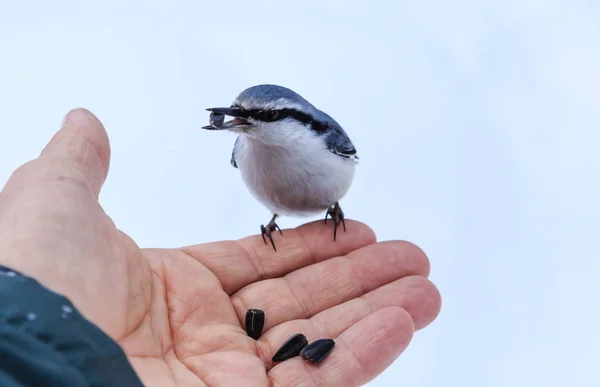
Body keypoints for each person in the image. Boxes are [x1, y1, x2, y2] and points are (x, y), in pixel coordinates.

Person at [0, 108, 441, 386]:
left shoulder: (327, 139)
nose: (243, 121)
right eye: (241, 114)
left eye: (264, 116)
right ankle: (274, 217)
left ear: (298, 120)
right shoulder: (244, 149)